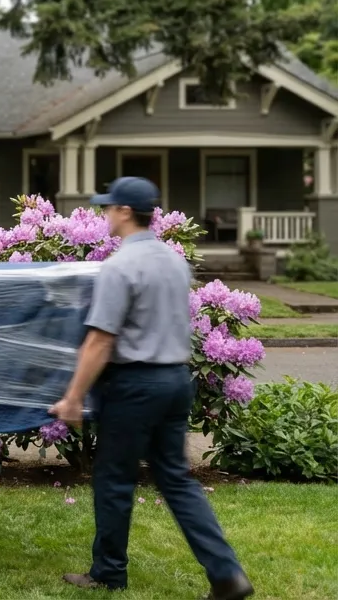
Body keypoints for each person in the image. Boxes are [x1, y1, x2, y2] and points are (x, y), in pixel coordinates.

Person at [51, 177, 253, 600]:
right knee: (176, 479)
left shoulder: (120, 266)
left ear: (125, 212)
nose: (105, 214)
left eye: (110, 207)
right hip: (175, 380)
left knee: (113, 478)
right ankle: (227, 575)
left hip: (135, 385)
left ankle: (108, 572)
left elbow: (101, 340)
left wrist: (72, 396)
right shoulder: (174, 262)